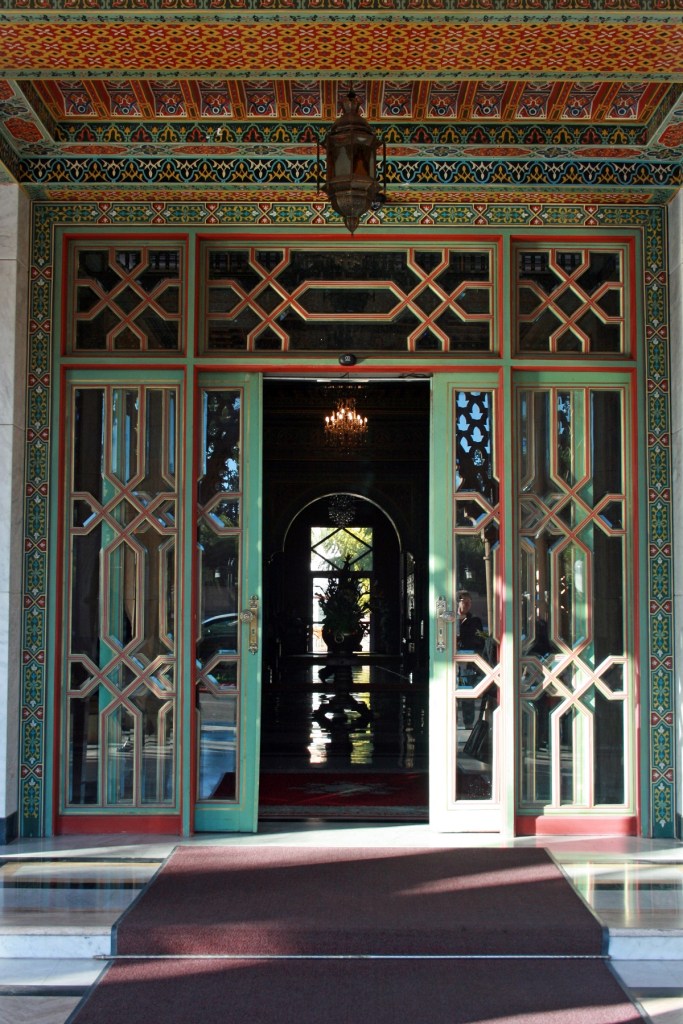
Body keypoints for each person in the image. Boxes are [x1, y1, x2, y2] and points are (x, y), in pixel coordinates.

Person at [457, 591, 484, 729]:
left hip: (467, 660)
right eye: (464, 602)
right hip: (451, 661)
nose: (467, 605)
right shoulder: (452, 619)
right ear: (458, 602)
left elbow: (480, 640)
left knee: (467, 691)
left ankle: (468, 723)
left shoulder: (474, 621)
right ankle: (451, 721)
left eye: (469, 602)